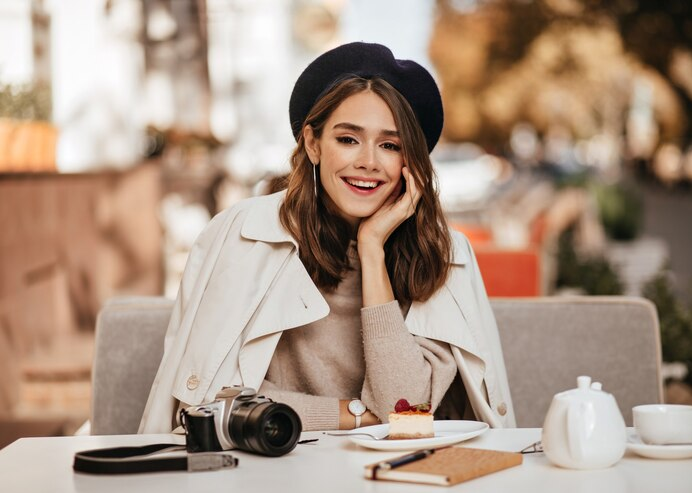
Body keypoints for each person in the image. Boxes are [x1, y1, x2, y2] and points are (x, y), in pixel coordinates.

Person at [139, 42, 515, 434]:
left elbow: (401, 410)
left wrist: (372, 251)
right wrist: (353, 414)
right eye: (348, 139)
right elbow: (210, 400)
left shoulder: (442, 254)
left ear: (410, 163)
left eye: (390, 145)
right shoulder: (246, 235)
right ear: (313, 144)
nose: (368, 161)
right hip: (272, 468)